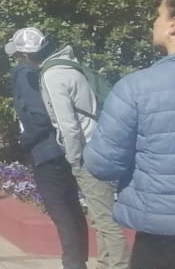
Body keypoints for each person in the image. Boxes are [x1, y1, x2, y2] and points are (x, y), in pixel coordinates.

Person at [87, 0, 175, 269]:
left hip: (164, 239)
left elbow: (102, 164)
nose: (154, 22)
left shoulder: (137, 88)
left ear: (174, 24)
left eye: (158, 15)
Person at [37, 37, 128, 269]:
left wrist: (73, 158)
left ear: (27, 55)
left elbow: (67, 125)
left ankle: (118, 264)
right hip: (98, 145)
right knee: (100, 214)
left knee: (105, 219)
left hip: (86, 151)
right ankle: (107, 263)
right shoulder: (70, 66)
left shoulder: (52, 75)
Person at [5, 27, 88, 269]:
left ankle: (73, 264)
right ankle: (77, 261)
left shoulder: (24, 74)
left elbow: (38, 116)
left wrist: (25, 141)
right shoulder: (53, 69)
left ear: (24, 54)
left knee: (62, 212)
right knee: (72, 209)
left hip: (45, 151)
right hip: (63, 147)